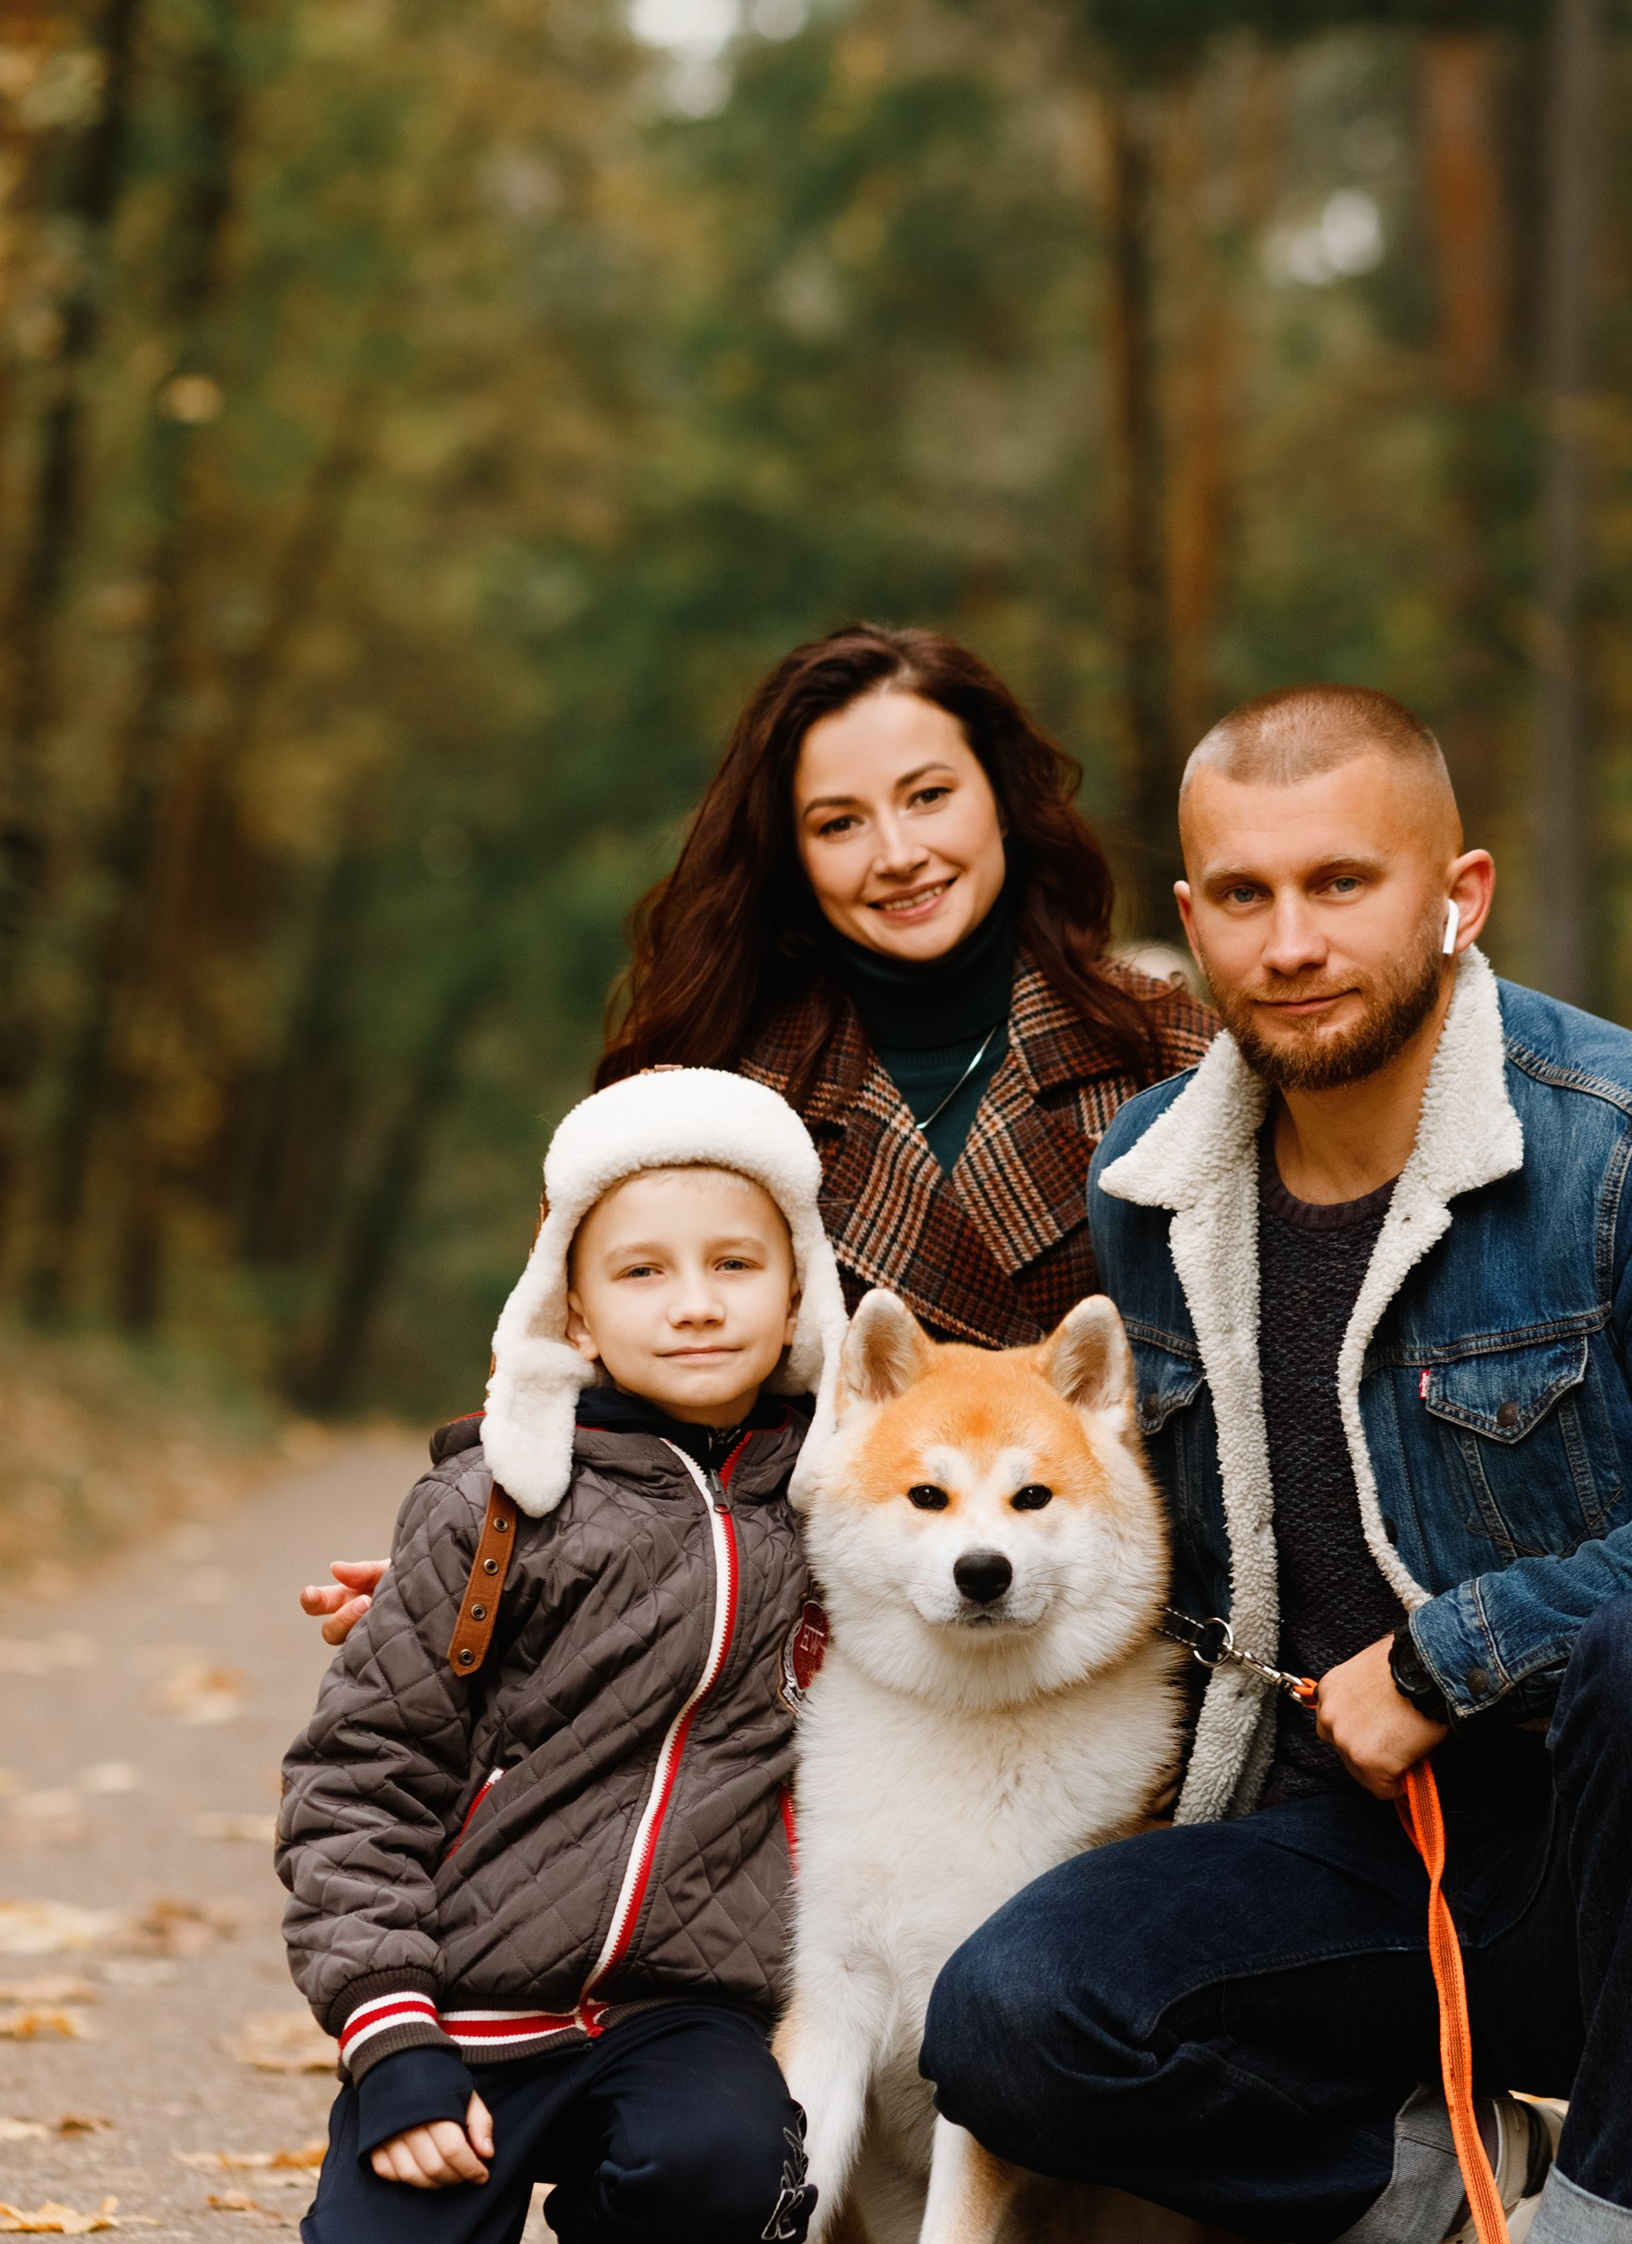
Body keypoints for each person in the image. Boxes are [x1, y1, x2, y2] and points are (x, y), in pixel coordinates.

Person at [920, 681, 1632, 2244]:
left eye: (1340, 885)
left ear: (1455, 891)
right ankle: (1454, 2207)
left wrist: (1454, 1658)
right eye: (1240, 896)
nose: (1291, 944)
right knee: (1006, 2018)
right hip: (1342, 1858)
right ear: (1194, 913)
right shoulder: (1149, 1185)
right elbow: (962, 1437)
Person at [302, 620, 1212, 1646]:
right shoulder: (704, 1091)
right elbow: (570, 1371)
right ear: (792, 855)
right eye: (839, 823)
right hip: (784, 1650)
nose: (898, 853)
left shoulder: (1165, 1050)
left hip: (1113, 1644)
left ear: (1001, 797)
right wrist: (465, 1559)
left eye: (928, 796)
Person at [276, 1069, 846, 2244]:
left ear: (798, 1287)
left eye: (734, 1264)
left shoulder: (839, 1511)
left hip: (685, 2013)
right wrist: (389, 2036)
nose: (695, 1301)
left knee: (735, 2168)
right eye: (642, 1271)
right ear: (574, 1306)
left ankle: (624, 2240)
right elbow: (358, 1784)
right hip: (468, 2014)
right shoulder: (490, 1510)